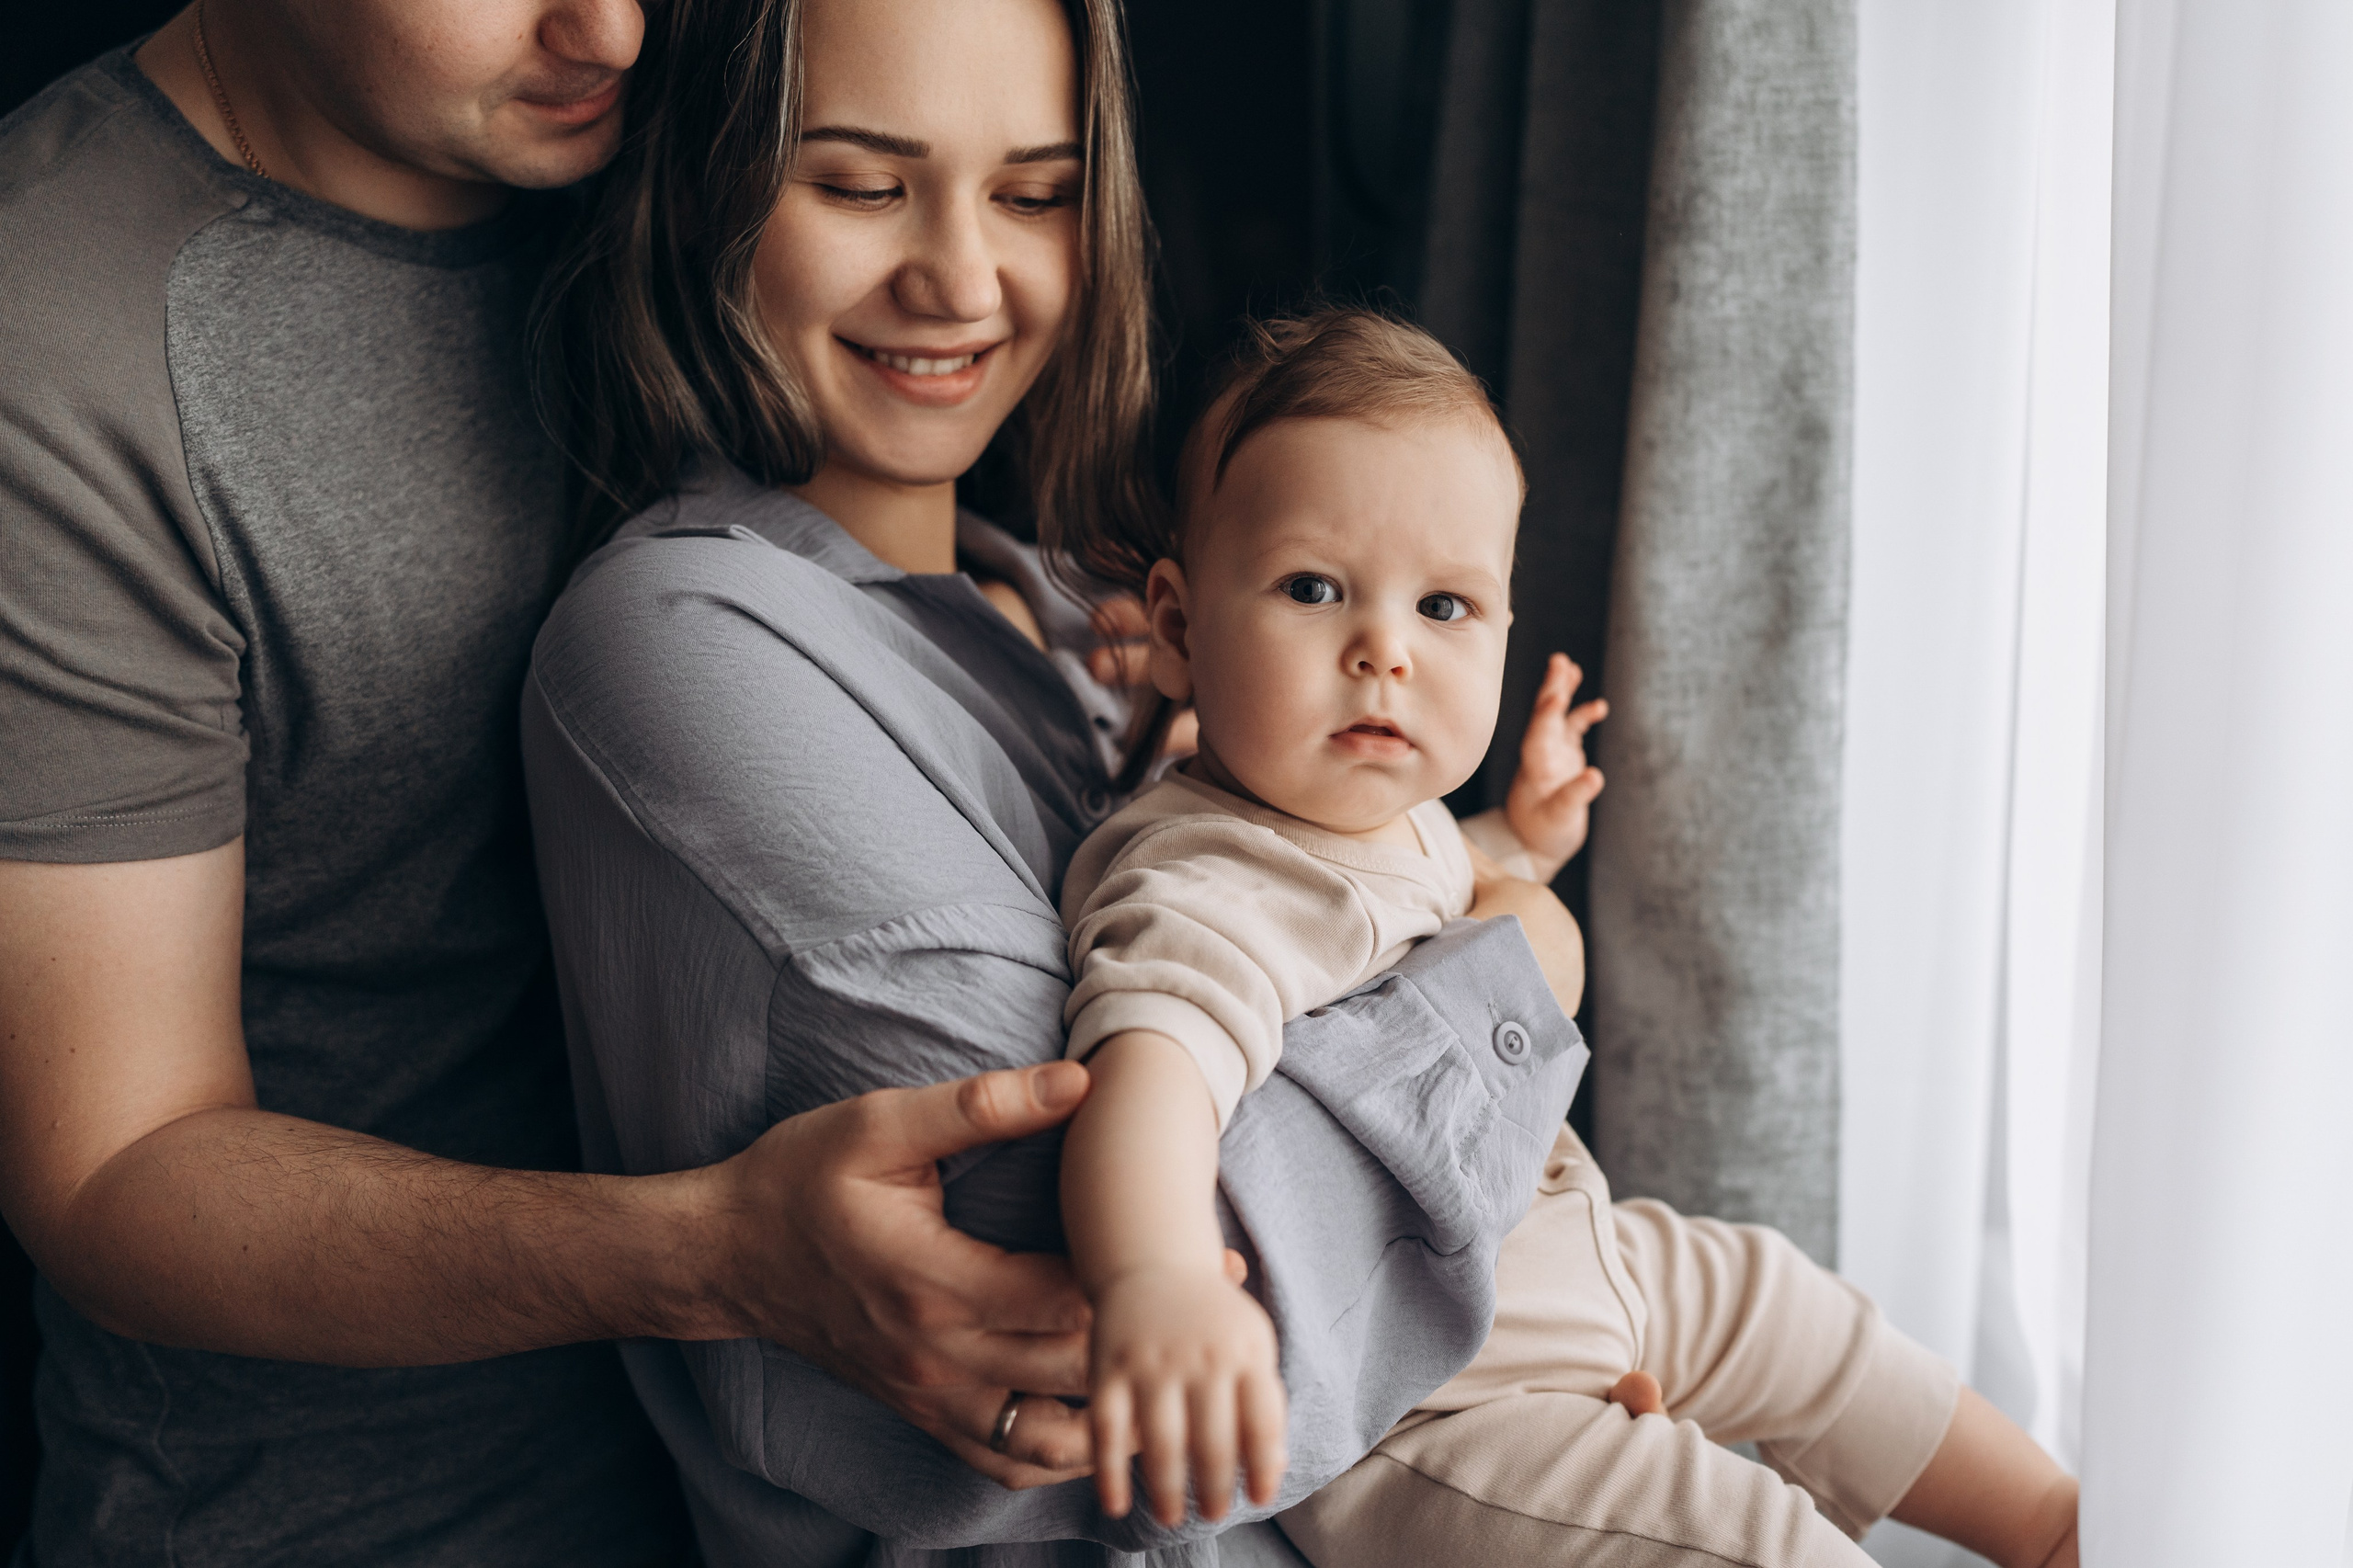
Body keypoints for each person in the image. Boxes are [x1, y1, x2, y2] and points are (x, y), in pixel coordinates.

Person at [0, 3, 1152, 1562]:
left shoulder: (664, 112)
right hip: (380, 1512)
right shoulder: (59, 335)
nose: (611, 23)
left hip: (797, 1478)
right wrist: (711, 1257)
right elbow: (114, 1164)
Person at [522, 0, 1582, 1562]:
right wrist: (1524, 960)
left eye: (1032, 194)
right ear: (710, 191)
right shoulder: (676, 640)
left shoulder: (1084, 617)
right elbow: (1105, 1279)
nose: (961, 275)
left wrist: (1538, 1334)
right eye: (864, 185)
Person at [1051, 306, 2085, 1568]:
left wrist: (1519, 840)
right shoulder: (1207, 873)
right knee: (1735, 1538)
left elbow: (1423, 906)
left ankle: (2051, 1522)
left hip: (1555, 1259)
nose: (1384, 650)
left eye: (1444, 604)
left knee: (1790, 1309)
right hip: (1442, 1400)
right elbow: (1149, 1072)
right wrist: (1152, 1278)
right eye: (1314, 588)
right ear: (1176, 621)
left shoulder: (1373, 812)